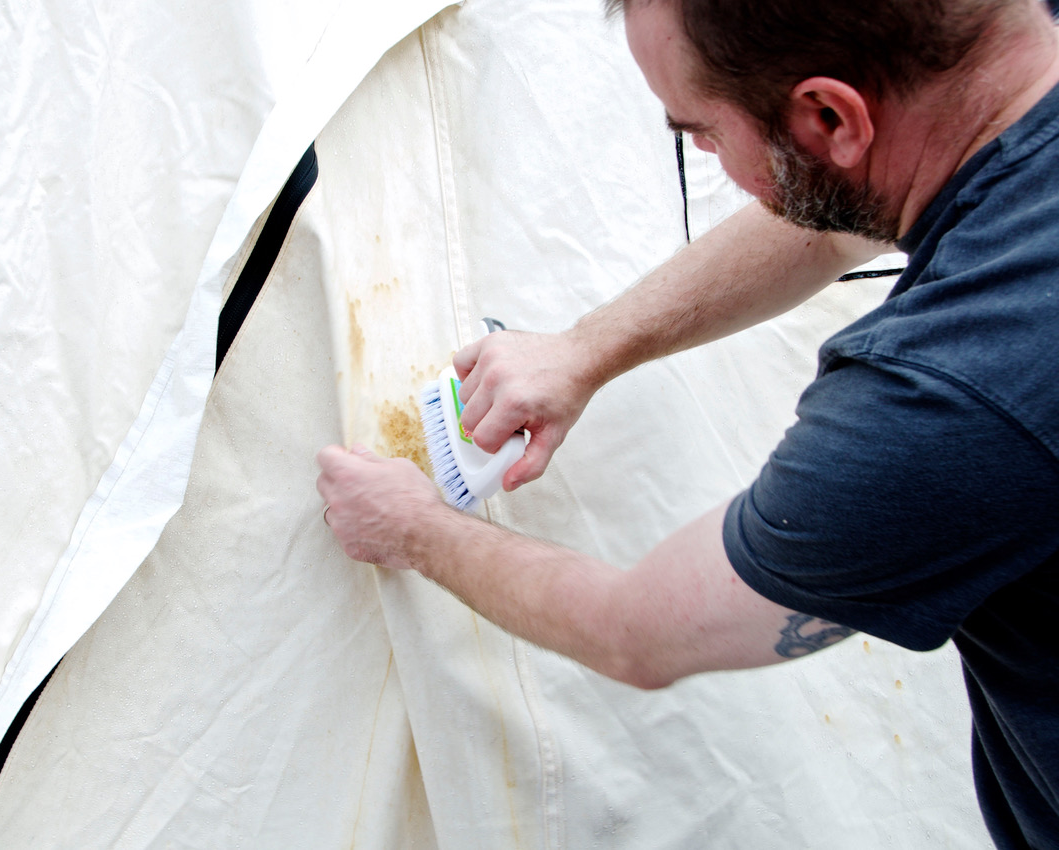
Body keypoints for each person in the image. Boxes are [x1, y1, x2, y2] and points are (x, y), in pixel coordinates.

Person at [316, 0, 1059, 846]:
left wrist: (411, 529)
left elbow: (636, 631)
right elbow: (842, 221)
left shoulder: (946, 403)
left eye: (698, 133)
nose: (703, 155)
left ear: (828, 115)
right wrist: (586, 349)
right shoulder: (1010, 64)